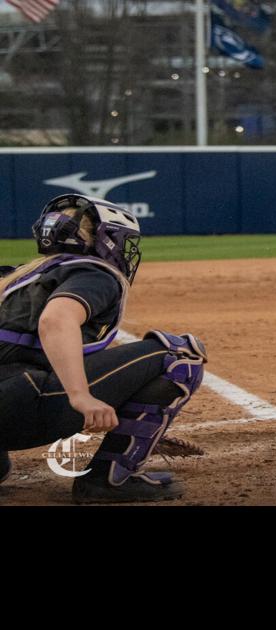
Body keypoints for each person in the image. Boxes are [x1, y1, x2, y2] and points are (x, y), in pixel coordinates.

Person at [0, 194, 208, 504]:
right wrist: (80, 396)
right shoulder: (92, 272)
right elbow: (55, 321)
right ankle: (112, 479)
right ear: (103, 240)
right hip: (14, 409)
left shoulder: (19, 276)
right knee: (180, 354)